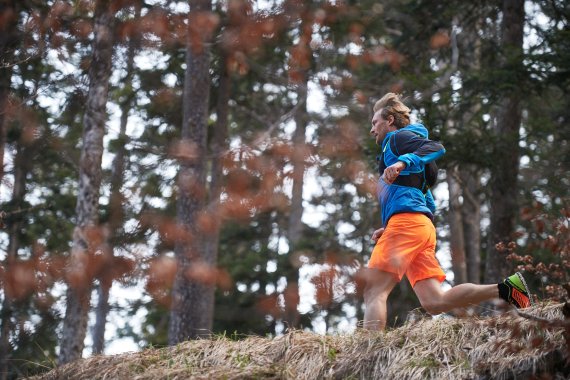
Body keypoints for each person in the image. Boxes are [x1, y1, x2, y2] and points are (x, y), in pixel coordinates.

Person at [362, 92, 532, 330]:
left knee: (374, 290)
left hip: (409, 225)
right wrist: (394, 226)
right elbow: (424, 197)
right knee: (434, 302)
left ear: (389, 120)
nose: (372, 130)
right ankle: (507, 289)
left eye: (374, 122)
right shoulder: (402, 149)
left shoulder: (398, 139)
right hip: (417, 226)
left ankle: (368, 356)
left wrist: (401, 164)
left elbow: (436, 147)